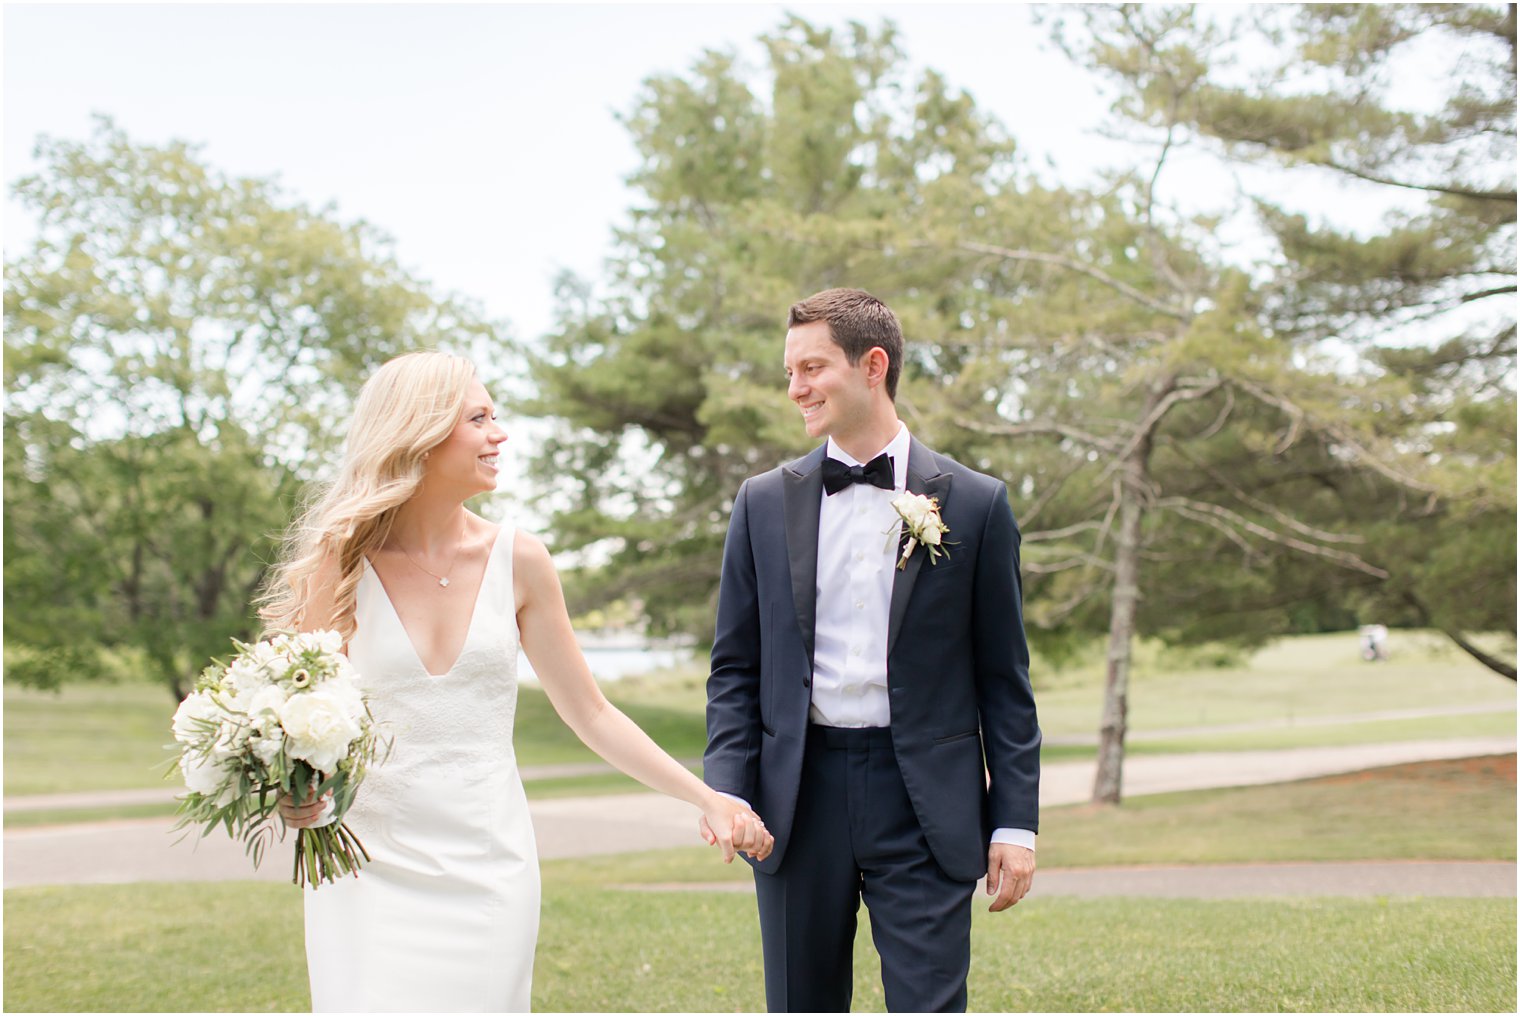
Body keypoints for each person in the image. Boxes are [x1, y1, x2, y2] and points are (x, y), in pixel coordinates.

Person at [265, 350, 772, 1013]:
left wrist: (704, 796)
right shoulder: (341, 561)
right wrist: (295, 792)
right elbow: (296, 719)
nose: (499, 434)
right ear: (420, 430)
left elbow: (590, 712)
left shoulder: (521, 560)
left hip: (488, 861)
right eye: (479, 418)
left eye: (495, 417)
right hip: (367, 865)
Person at [703, 289, 1040, 1012]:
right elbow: (735, 668)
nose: (795, 389)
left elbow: (1005, 682)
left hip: (926, 801)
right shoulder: (761, 502)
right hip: (797, 799)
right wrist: (726, 788)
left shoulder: (977, 505)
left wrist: (1015, 823)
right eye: (790, 371)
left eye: (812, 368)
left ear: (873, 365)